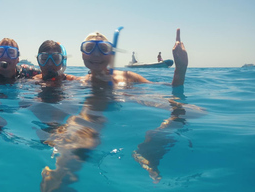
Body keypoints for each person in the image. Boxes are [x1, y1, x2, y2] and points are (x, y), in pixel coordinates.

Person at [40, 29, 190, 190]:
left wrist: (180, 69)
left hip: (130, 112)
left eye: (103, 49)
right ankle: (58, 177)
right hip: (92, 122)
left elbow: (169, 90)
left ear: (110, 54)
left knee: (188, 112)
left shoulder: (127, 77)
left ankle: (149, 149)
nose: (96, 54)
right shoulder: (80, 82)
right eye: (89, 48)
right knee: (75, 140)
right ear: (83, 55)